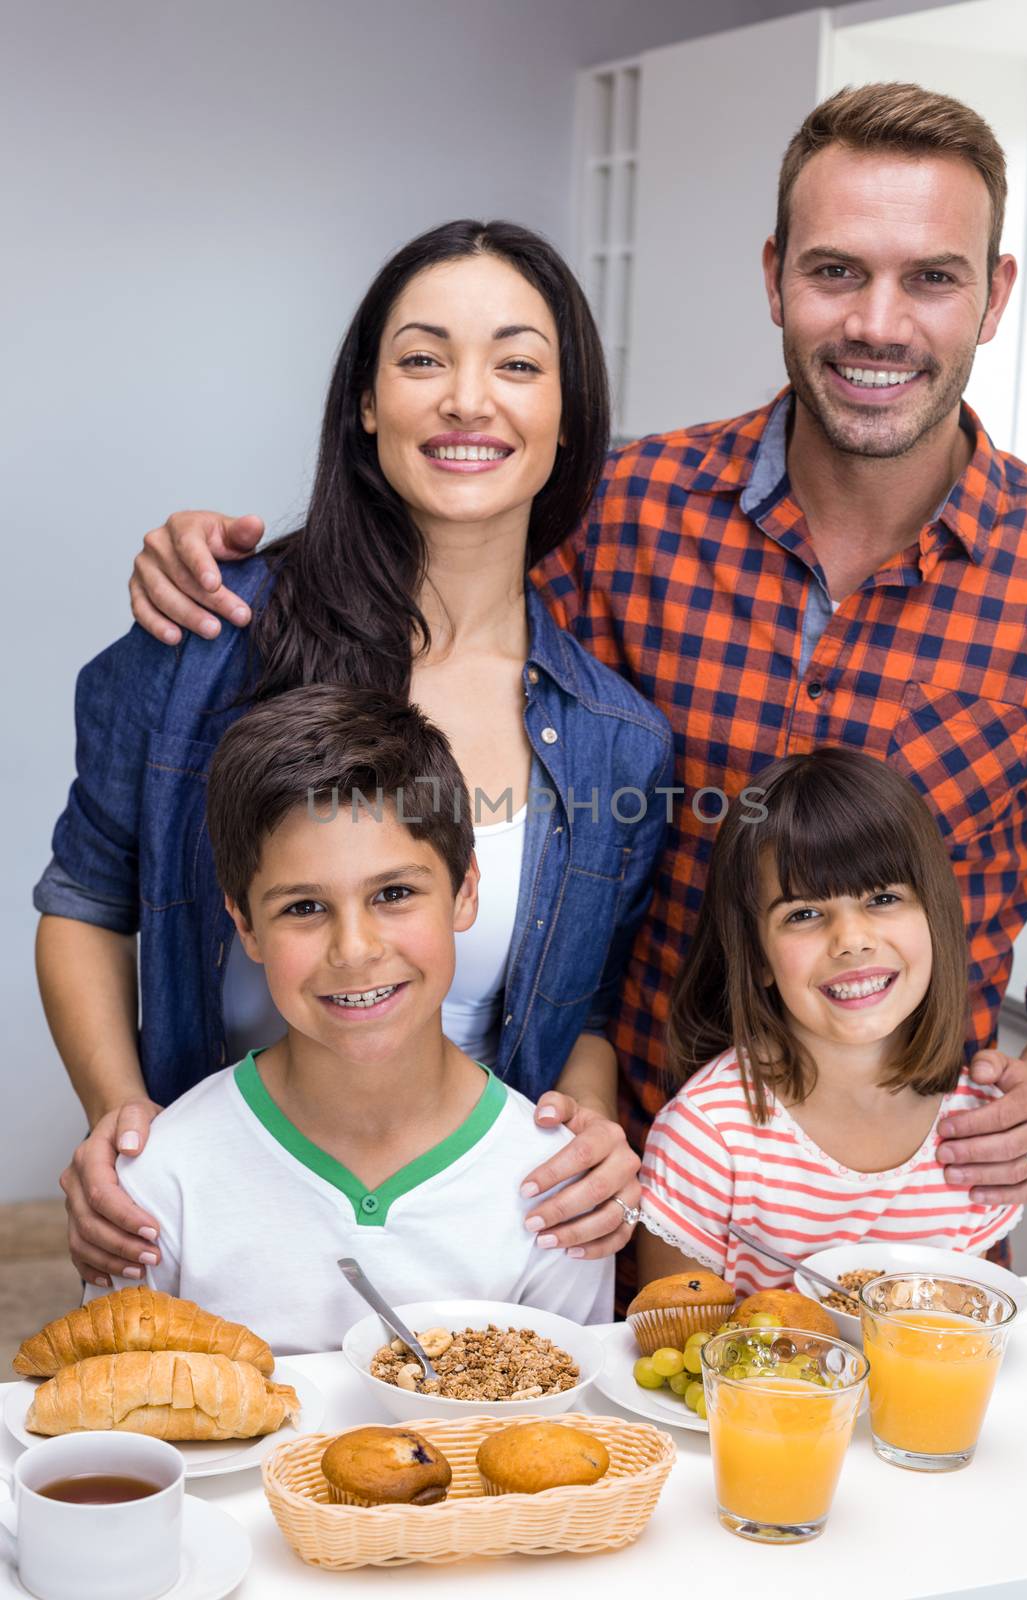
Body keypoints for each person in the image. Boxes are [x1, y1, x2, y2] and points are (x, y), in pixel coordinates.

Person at [116, 84, 1027, 1250]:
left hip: (914, 1207)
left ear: (993, 295)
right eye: (833, 272)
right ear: (772, 277)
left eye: (929, 276)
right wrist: (215, 563)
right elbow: (424, 561)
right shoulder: (613, 511)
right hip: (617, 1192)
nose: (877, 321)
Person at [35, 220, 673, 1290]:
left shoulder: (617, 738)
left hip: (485, 1241)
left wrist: (588, 1124)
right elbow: (88, 901)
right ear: (367, 403)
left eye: (517, 363)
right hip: (225, 1227)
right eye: (423, 358)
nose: (468, 398)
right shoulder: (208, 643)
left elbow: (592, 1004)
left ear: (567, 419)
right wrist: (127, 1129)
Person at [98, 685, 612, 1350]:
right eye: (303, 908)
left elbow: (570, 1430)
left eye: (393, 894)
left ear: (464, 892)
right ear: (245, 926)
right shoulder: (162, 1181)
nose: (355, 950)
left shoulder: (556, 1191)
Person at [637, 748, 1020, 1293]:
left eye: (884, 897)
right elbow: (671, 1349)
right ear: (758, 957)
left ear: (935, 914)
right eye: (805, 914)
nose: (852, 940)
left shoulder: (977, 1127)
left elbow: (965, 1335)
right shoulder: (708, 1136)